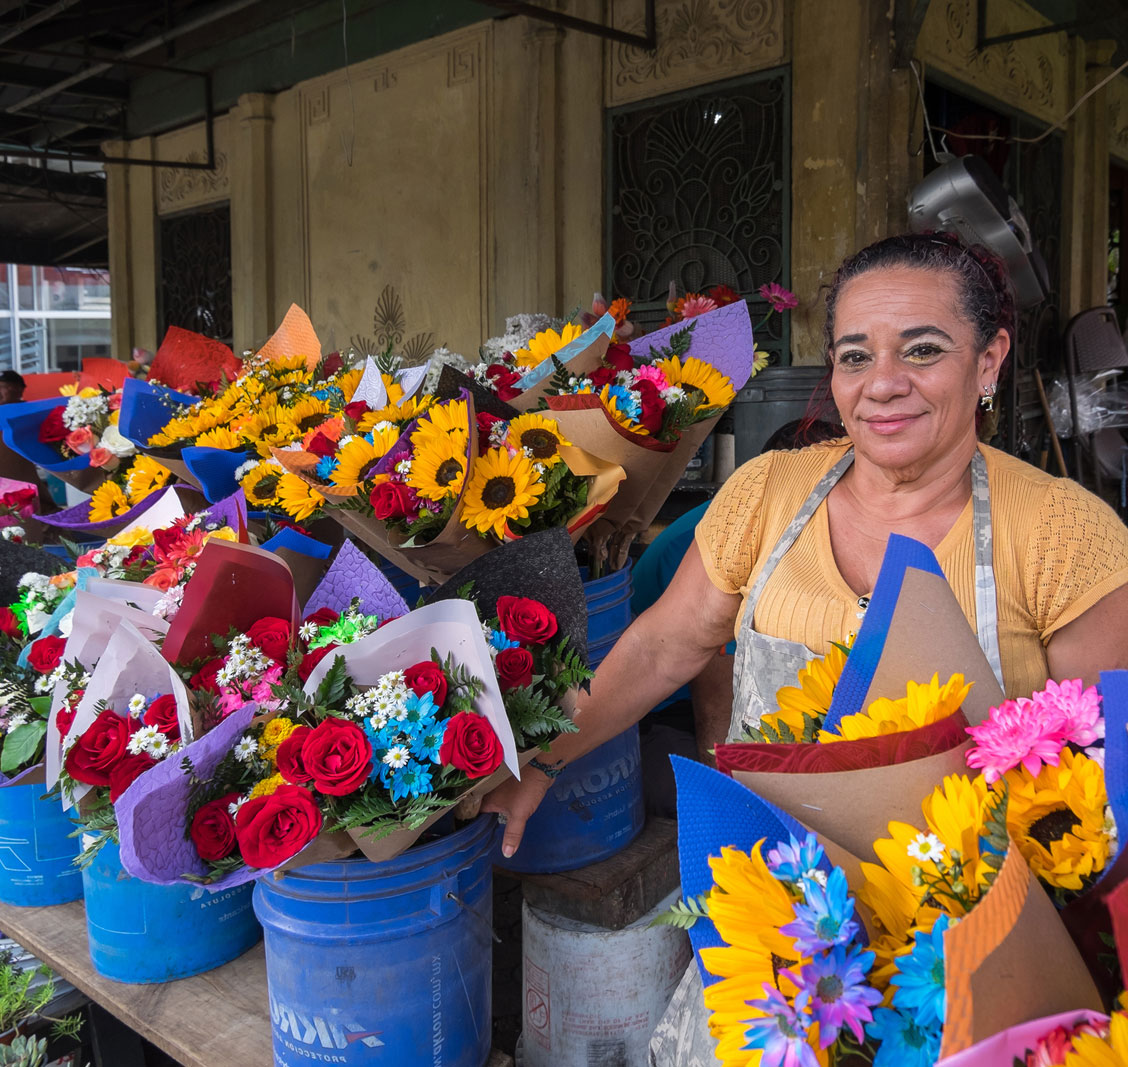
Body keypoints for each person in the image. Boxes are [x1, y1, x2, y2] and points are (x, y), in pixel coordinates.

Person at [484, 231, 1128, 1058]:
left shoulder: (1061, 532)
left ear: (991, 360)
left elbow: (1107, 796)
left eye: (923, 349)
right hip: (774, 951)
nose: (882, 384)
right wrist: (544, 762)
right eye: (855, 356)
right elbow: (662, 650)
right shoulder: (769, 492)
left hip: (966, 975)